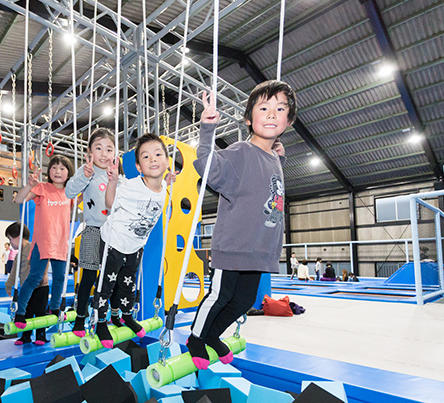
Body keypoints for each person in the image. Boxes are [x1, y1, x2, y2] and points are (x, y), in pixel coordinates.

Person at [186, 80, 297, 370]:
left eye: (280, 108)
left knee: (243, 301)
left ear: (288, 120)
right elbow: (208, 166)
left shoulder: (273, 158)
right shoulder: (240, 152)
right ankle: (197, 338)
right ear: (249, 119)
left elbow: (266, 181)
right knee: (220, 296)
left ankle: (212, 335)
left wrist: (279, 154)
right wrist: (207, 129)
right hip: (235, 245)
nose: (272, 114)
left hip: (259, 249)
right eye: (264, 108)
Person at [93, 133, 176, 348]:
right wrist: (112, 181)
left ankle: (126, 316)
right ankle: (100, 322)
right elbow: (110, 202)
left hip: (135, 246)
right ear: (139, 167)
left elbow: (161, 189)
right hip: (113, 242)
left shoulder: (164, 187)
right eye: (146, 157)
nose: (153, 160)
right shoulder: (131, 185)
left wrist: (167, 181)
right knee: (107, 284)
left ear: (167, 161)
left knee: (128, 285)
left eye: (158, 154)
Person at [64, 128, 116, 337]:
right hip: (93, 230)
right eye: (99, 148)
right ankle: (80, 316)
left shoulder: (117, 176)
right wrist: (84, 177)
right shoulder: (87, 171)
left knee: (108, 279)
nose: (104, 154)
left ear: (115, 153)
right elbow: (69, 191)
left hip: (113, 233)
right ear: (90, 152)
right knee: (88, 277)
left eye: (109, 149)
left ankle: (103, 318)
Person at [13, 155, 74, 329]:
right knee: (35, 277)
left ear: (68, 173)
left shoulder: (71, 192)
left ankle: (54, 307)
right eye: (54, 167)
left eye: (62, 168)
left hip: (61, 242)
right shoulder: (42, 188)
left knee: (60, 278)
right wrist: (30, 185)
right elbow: (19, 199)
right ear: (49, 171)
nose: (57, 171)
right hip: (43, 241)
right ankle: (20, 311)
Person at [5, 222, 48, 345]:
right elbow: (14, 271)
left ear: (19, 236)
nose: (10, 242)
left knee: (40, 313)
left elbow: (44, 263)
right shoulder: (18, 255)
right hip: (25, 289)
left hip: (40, 287)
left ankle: (41, 335)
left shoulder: (34, 247)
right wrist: (9, 285)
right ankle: (26, 336)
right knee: (26, 312)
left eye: (10, 239)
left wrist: (41, 277)